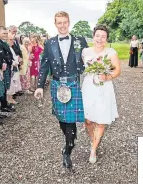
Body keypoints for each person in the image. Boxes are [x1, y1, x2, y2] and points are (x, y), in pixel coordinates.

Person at [34, 11, 88, 169]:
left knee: (70, 120)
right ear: (55, 24)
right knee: (62, 119)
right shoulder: (49, 43)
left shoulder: (80, 40)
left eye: (65, 22)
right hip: (57, 85)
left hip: (73, 84)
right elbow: (44, 66)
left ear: (69, 22)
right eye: (59, 23)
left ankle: (68, 150)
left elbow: (89, 59)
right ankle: (69, 137)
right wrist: (39, 86)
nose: (62, 25)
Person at [81, 25, 121, 163]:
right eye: (98, 35)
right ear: (93, 36)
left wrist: (107, 77)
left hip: (104, 87)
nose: (100, 39)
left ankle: (93, 149)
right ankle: (94, 139)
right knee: (88, 120)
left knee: (102, 120)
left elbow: (117, 70)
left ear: (107, 38)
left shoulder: (111, 52)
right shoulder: (85, 51)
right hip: (88, 87)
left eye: (103, 36)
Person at [0, 26, 16, 113]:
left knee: (5, 87)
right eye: (4, 33)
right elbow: (2, 56)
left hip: (7, 67)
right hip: (2, 67)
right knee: (1, 88)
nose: (6, 35)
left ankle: (4, 105)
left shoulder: (4, 43)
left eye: (6, 33)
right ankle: (1, 107)